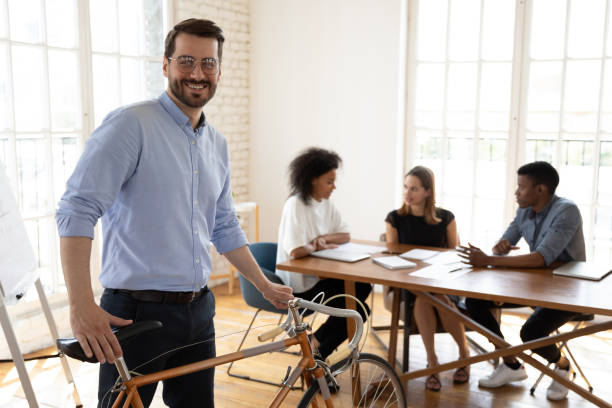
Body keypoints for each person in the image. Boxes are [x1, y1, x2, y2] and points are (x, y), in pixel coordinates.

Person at [55, 18, 293, 408]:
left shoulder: (216, 143)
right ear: (165, 65)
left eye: (208, 63)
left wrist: (263, 284)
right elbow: (77, 209)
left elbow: (224, 225)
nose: (197, 73)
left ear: (219, 69)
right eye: (186, 61)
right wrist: (81, 305)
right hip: (135, 314)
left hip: (199, 310)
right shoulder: (130, 125)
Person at [458, 161, 585, 401]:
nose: (516, 192)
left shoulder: (567, 211)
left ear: (541, 189)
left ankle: (563, 365)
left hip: (568, 291)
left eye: (521, 187)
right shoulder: (524, 210)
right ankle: (511, 363)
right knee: (475, 301)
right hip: (536, 286)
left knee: (531, 333)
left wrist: (487, 260)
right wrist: (499, 247)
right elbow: (506, 241)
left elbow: (540, 259)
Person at [276, 147, 371, 360]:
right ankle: (318, 357)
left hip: (317, 279)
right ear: (312, 180)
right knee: (358, 310)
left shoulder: (325, 203)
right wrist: (315, 246)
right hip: (299, 286)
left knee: (363, 289)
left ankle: (315, 346)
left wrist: (324, 239)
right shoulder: (296, 204)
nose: (334, 187)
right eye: (329, 181)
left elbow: (344, 234)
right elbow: (296, 250)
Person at [383, 165, 469, 391]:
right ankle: (451, 359)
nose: (407, 194)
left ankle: (446, 360)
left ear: (428, 192)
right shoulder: (394, 218)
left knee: (429, 298)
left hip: (441, 282)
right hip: (408, 282)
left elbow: (455, 255)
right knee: (426, 297)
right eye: (405, 188)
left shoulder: (446, 218)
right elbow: (393, 256)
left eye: (414, 188)